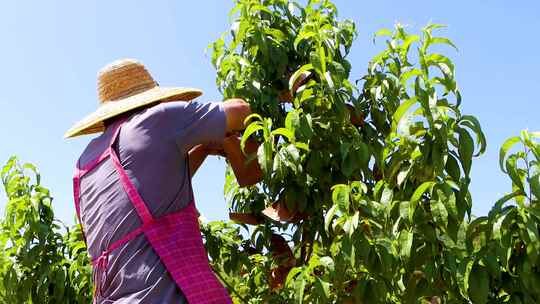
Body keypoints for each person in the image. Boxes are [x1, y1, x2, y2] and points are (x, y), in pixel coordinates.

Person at [64, 58, 252, 303]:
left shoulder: (85, 162)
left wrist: (202, 149)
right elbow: (240, 111)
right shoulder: (156, 120)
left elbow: (147, 197)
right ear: (152, 98)